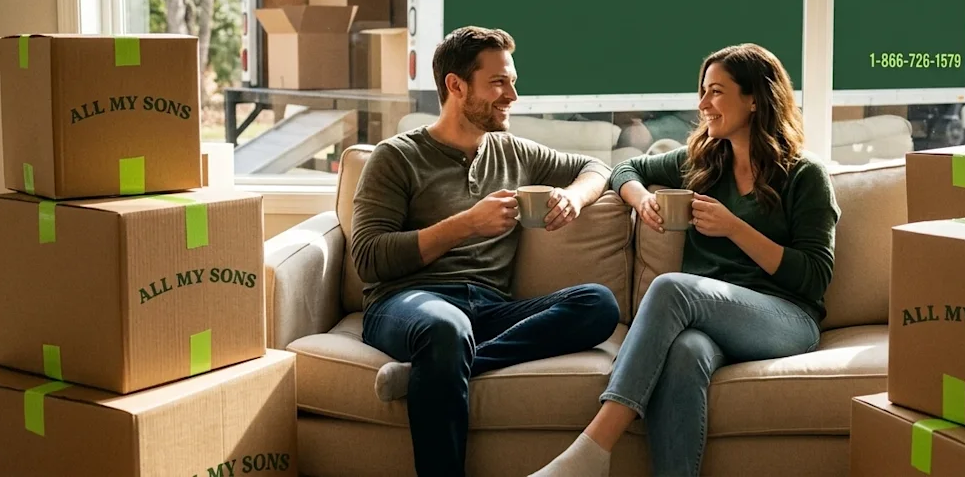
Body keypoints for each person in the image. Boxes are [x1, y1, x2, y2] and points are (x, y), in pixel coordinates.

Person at [530, 43, 840, 477]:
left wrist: (735, 228)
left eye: (716, 92)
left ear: (754, 99)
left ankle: (592, 449)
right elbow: (625, 169)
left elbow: (813, 278)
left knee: (673, 286)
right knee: (685, 351)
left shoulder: (805, 176)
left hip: (785, 318)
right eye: (702, 91)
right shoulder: (704, 163)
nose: (703, 104)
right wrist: (640, 200)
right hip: (706, 322)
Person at [352, 26, 622, 477]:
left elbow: (597, 167)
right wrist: (467, 225)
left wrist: (574, 197)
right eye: (499, 82)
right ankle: (442, 363)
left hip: (489, 309)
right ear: (456, 86)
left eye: (512, 81)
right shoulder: (395, 157)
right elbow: (369, 257)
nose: (512, 95)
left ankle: (436, 371)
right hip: (408, 303)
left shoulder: (512, 150)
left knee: (598, 304)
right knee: (446, 328)